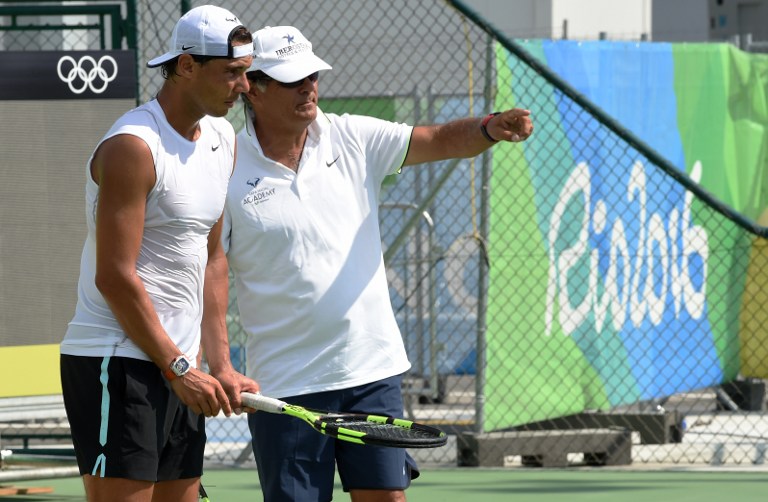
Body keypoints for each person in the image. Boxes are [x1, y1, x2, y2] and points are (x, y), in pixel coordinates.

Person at [223, 25, 533, 502]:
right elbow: (209, 269)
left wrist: (488, 128)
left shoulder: (353, 135)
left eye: (313, 75)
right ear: (254, 88)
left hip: (371, 372)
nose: (309, 87)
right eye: (292, 79)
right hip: (285, 385)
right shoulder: (225, 164)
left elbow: (439, 139)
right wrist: (216, 362)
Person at [59, 5, 259, 502]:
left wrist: (219, 364)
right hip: (119, 360)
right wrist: (177, 366)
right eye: (232, 73)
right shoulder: (133, 146)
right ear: (187, 65)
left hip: (179, 366)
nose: (246, 86)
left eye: (247, 73)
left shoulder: (222, 138)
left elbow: (212, 258)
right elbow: (115, 276)